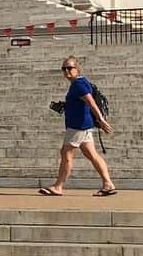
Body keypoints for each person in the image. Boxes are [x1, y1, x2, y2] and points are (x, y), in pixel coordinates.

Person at [39, 56, 117, 197]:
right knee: (92, 154)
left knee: (66, 153)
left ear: (77, 69)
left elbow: (90, 102)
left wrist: (101, 119)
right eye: (64, 69)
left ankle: (58, 186)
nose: (66, 71)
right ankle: (108, 184)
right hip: (83, 125)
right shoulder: (81, 82)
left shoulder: (78, 84)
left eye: (70, 68)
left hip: (77, 126)